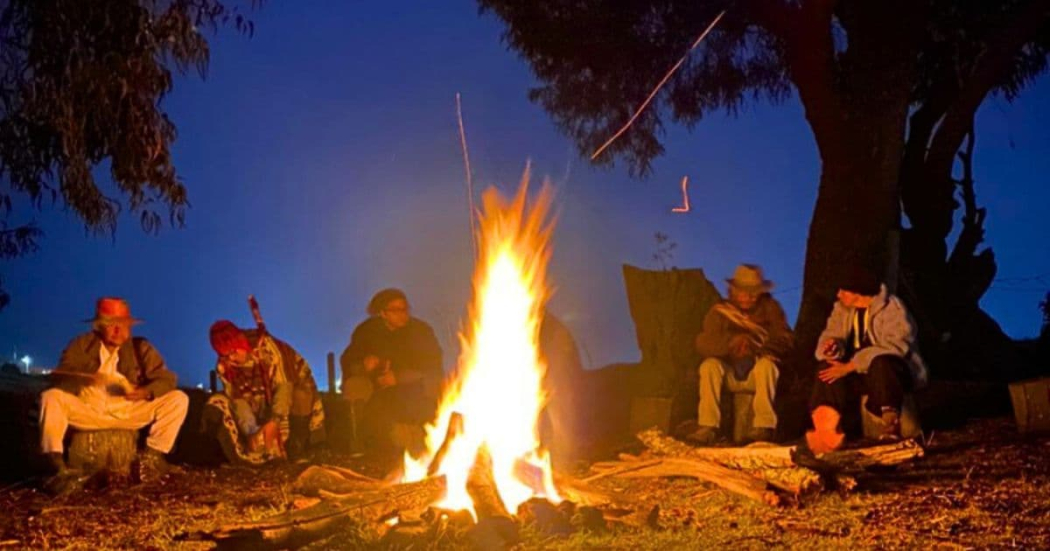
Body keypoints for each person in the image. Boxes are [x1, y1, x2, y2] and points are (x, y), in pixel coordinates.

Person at [40, 297, 189, 484]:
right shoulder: (81, 345)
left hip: (128, 413)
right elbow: (61, 376)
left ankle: (151, 458)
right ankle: (57, 468)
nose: (118, 330)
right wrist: (87, 378)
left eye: (123, 324)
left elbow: (166, 379)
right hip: (89, 412)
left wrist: (146, 392)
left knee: (178, 399)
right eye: (111, 325)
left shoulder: (140, 348)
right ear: (99, 326)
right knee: (51, 398)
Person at [807, 266, 928, 453]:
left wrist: (852, 365)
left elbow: (897, 346)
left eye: (843, 290)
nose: (838, 295)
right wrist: (831, 348)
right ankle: (826, 430)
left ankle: (890, 425)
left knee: (882, 364)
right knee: (826, 367)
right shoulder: (842, 309)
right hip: (858, 373)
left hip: (894, 373)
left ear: (858, 291)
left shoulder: (891, 307)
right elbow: (832, 333)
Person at [687, 265, 793, 444]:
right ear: (734, 291)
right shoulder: (720, 312)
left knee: (767, 367)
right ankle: (708, 426)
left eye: (753, 292)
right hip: (729, 373)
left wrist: (764, 350)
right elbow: (703, 343)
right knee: (709, 366)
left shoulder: (771, 309)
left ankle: (763, 427)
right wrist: (730, 343)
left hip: (757, 374)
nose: (748, 296)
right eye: (744, 291)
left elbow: (785, 338)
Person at [340, 288, 442, 467]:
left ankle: (423, 440)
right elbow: (349, 360)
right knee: (358, 388)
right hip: (379, 389)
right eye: (396, 310)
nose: (403, 314)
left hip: (413, 387)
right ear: (383, 313)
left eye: (405, 309)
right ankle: (359, 446)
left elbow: (433, 364)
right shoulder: (367, 331)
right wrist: (364, 366)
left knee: (430, 387)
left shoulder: (420, 331)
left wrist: (400, 377)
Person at [205, 320, 325, 463]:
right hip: (259, 404)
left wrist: (275, 421)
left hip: (290, 392)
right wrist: (251, 431)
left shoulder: (269, 348)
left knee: (301, 394)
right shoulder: (225, 367)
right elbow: (238, 401)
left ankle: (298, 446)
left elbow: (284, 386)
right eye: (225, 355)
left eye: (233, 352)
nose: (231, 358)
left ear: (241, 343)